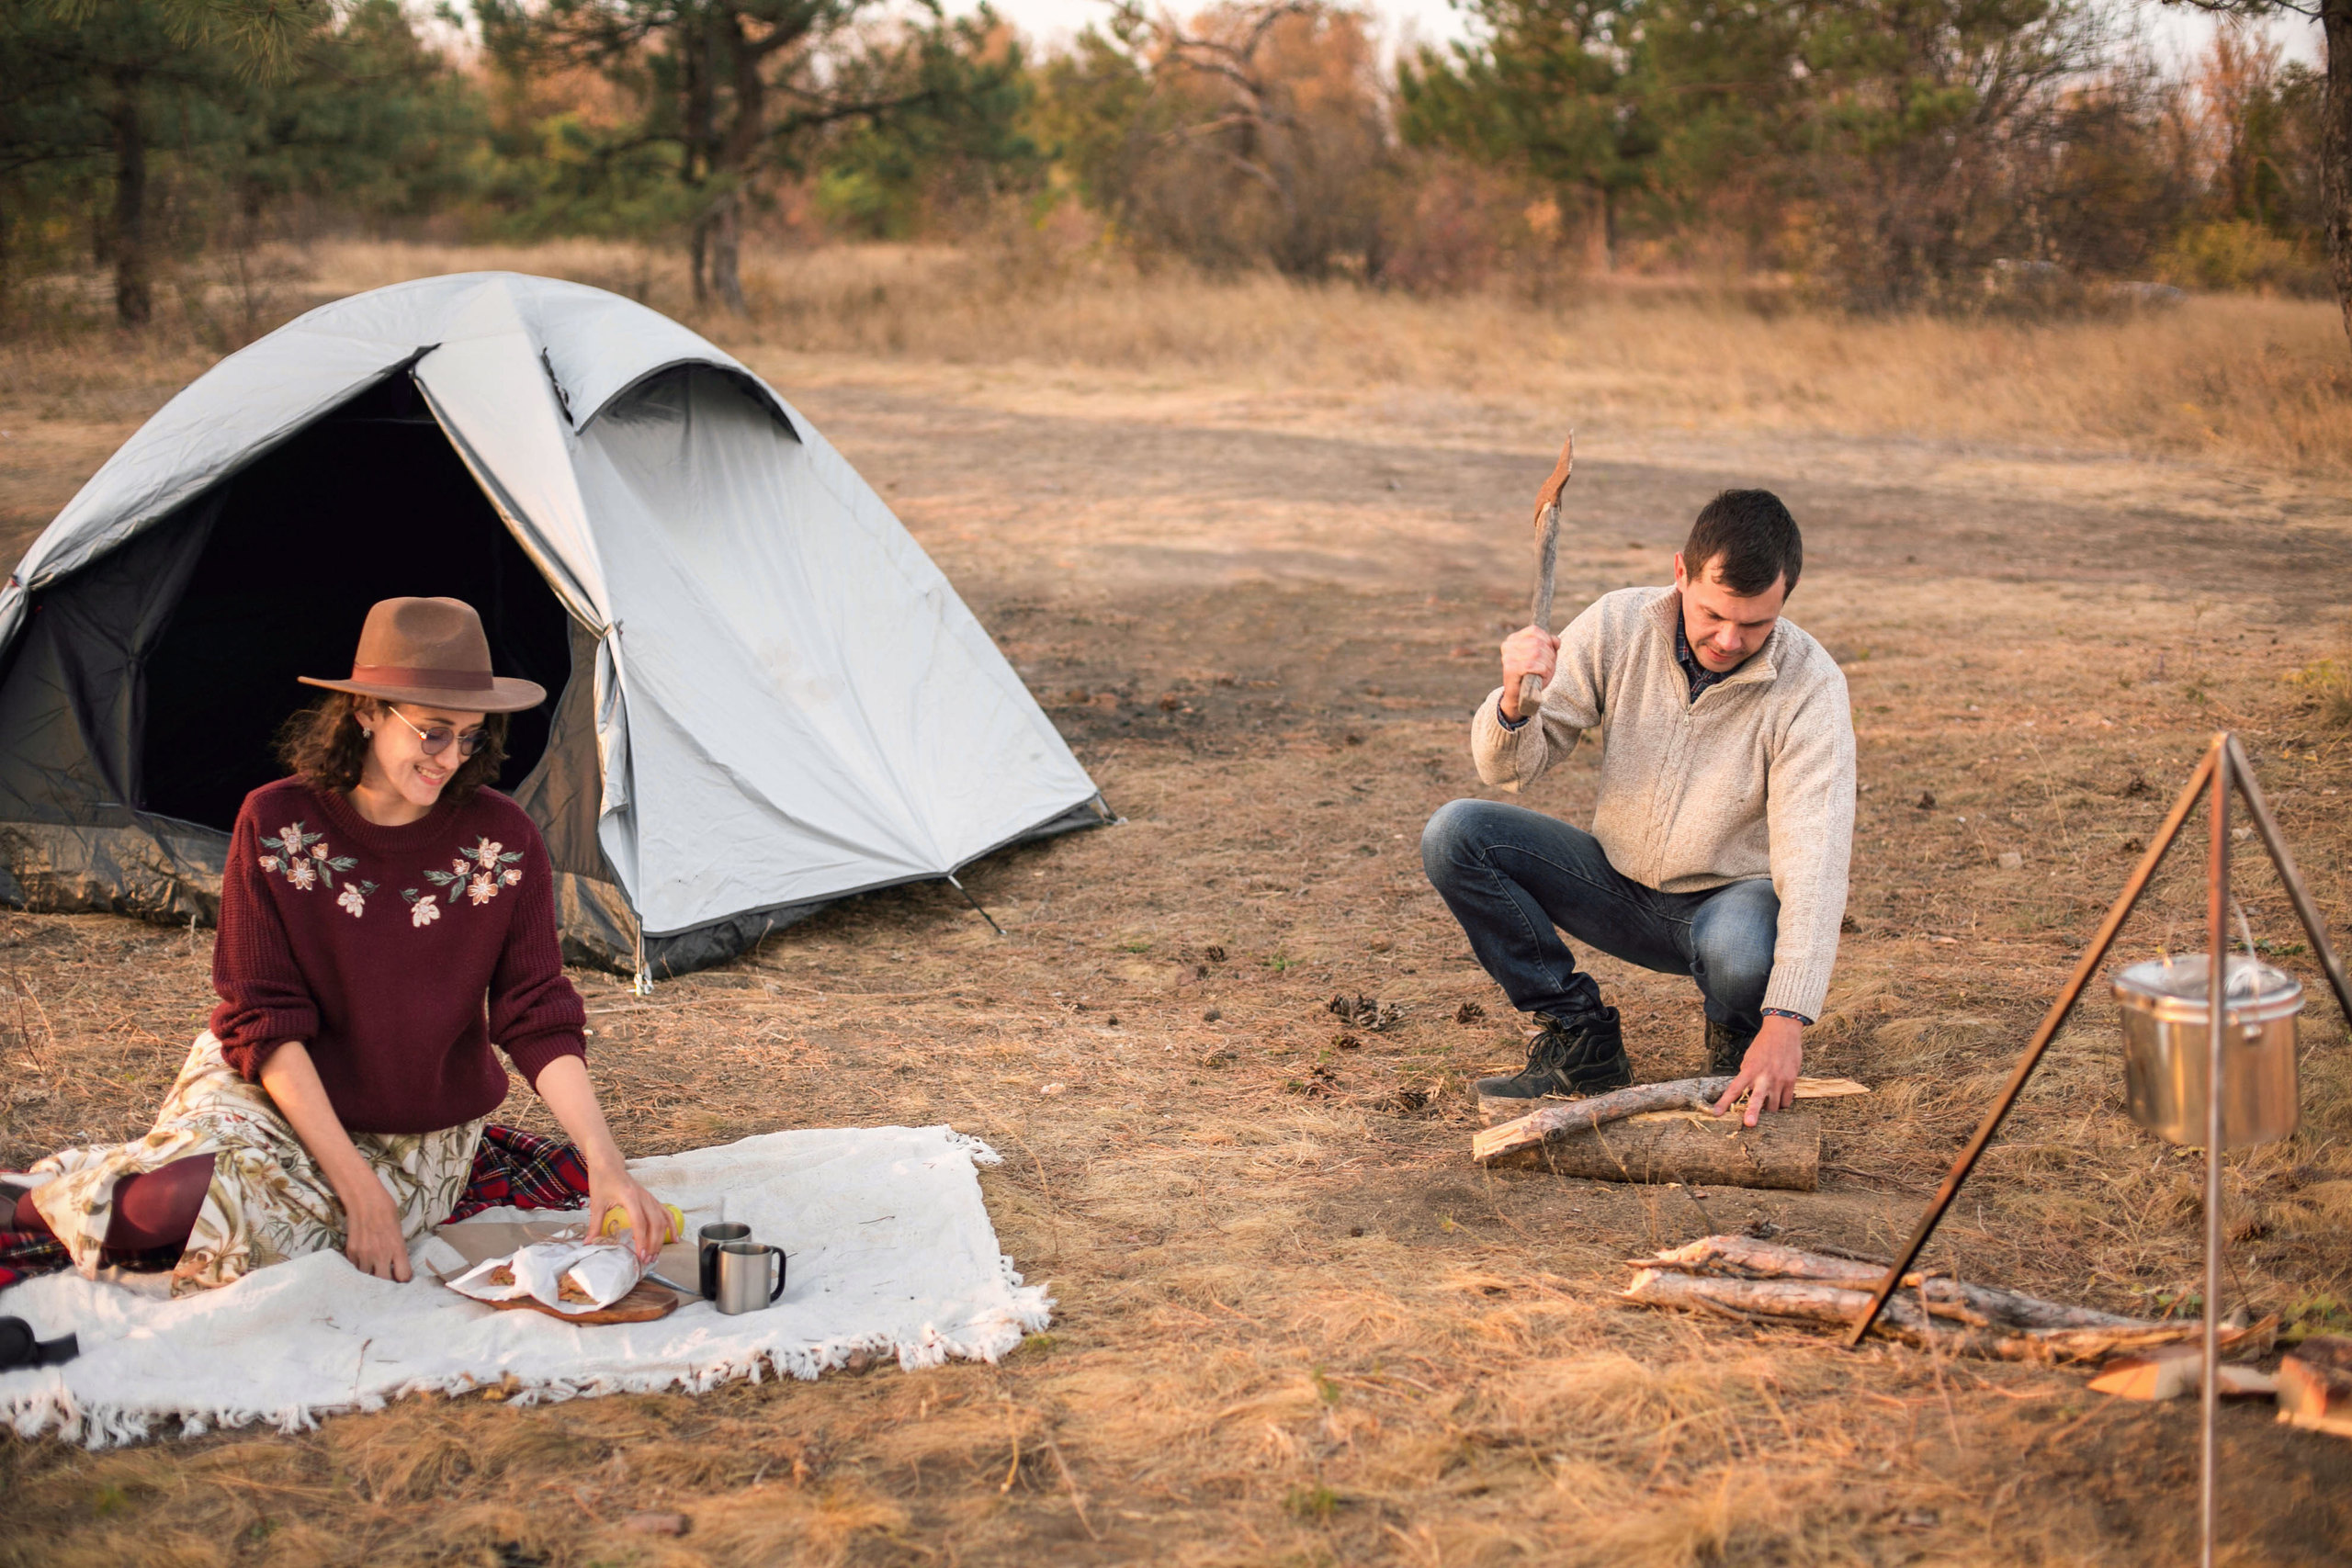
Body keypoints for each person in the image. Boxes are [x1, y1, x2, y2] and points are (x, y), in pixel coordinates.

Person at [3, 597, 666, 1294]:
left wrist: (605, 1159)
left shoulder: (504, 842)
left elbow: (535, 1009)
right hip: (271, 1086)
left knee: (224, 1248)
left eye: (472, 736)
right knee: (161, 1218)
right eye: (434, 732)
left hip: (415, 1134)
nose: (453, 757)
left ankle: (72, 1189)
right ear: (367, 712)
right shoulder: (275, 821)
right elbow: (264, 1013)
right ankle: (35, 1202)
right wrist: (354, 1187)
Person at [1420, 490, 1854, 1126]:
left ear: (1784, 601)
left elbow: (1814, 862)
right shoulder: (1619, 624)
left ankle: (1738, 1039)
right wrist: (1514, 701)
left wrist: (1786, 1017)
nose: (1730, 639)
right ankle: (1581, 1037)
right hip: (1614, 887)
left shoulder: (1811, 686)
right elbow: (1510, 768)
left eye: (1755, 623)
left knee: (1738, 948)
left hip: (1730, 913)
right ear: (1681, 572)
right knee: (1456, 832)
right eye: (1712, 614)